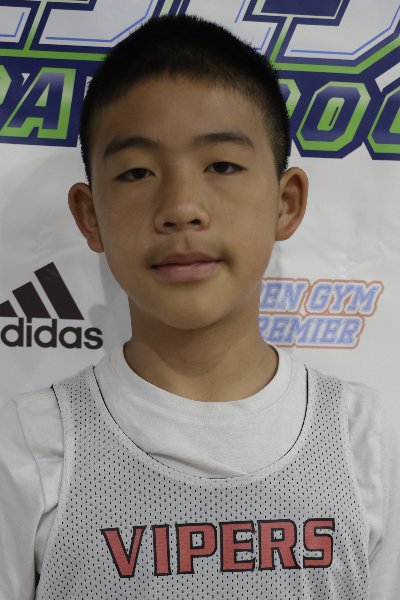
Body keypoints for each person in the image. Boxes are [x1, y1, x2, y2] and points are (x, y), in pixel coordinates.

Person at [0, 14, 398, 600]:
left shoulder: (365, 440)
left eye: (222, 166)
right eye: (137, 172)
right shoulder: (33, 445)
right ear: (90, 216)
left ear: (286, 202)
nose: (181, 207)